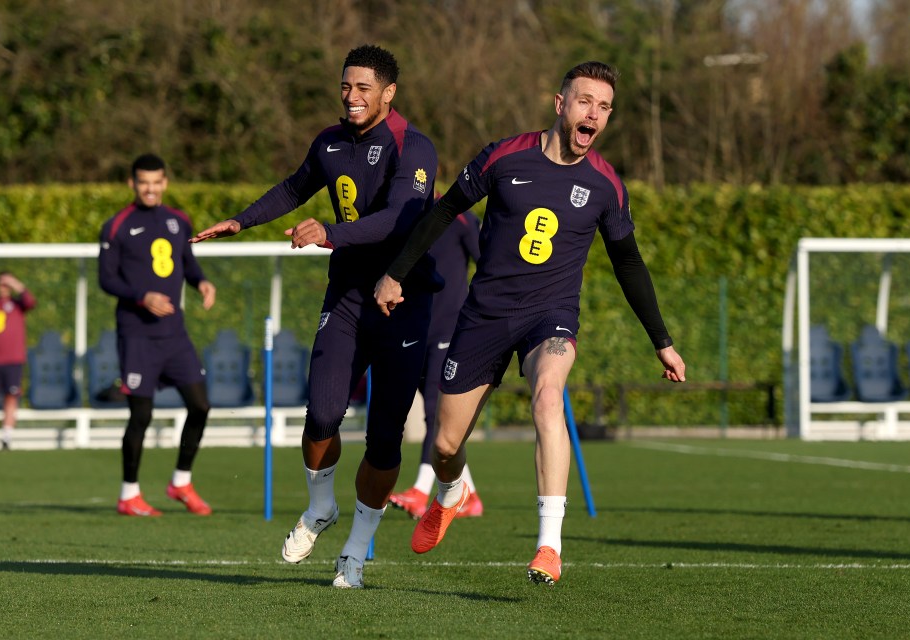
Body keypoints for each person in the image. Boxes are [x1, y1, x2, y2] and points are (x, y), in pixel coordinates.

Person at [374, 61, 687, 586]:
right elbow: (443, 211)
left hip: (552, 317)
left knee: (548, 397)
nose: (594, 114)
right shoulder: (504, 155)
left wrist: (663, 341)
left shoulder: (607, 185)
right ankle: (453, 492)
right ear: (559, 103)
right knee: (446, 445)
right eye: (585, 101)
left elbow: (628, 263)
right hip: (485, 317)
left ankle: (549, 545)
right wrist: (394, 274)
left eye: (605, 107)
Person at [191, 44, 439, 589]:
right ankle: (322, 508)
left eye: (363, 88)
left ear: (389, 92)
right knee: (322, 412)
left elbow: (401, 218)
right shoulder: (329, 141)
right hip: (349, 295)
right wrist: (241, 221)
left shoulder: (413, 146)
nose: (351, 97)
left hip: (404, 301)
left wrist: (331, 232)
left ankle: (354, 550)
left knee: (384, 440)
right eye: (346, 86)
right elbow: (293, 188)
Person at [99, 153, 217, 517]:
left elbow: (188, 263)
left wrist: (202, 282)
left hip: (174, 334)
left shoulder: (178, 220)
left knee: (200, 406)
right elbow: (106, 278)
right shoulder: (117, 225)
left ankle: (181, 483)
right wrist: (142, 297)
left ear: (165, 182)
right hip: (136, 335)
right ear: (132, 184)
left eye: (156, 182)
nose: (150, 188)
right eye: (143, 182)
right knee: (141, 414)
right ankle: (128, 494)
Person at [389, 208, 484, 519]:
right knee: (438, 418)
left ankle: (420, 490)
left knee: (436, 411)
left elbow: (488, 263)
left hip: (450, 329)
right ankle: (468, 496)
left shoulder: (460, 220)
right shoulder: (404, 215)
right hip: (415, 328)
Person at [0, 271, 36, 450]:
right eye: (1, 283)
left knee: (11, 397)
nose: (3, 287)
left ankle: (7, 436)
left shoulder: (18, 305)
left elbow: (31, 301)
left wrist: (15, 283)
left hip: (13, 360)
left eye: (6, 284)